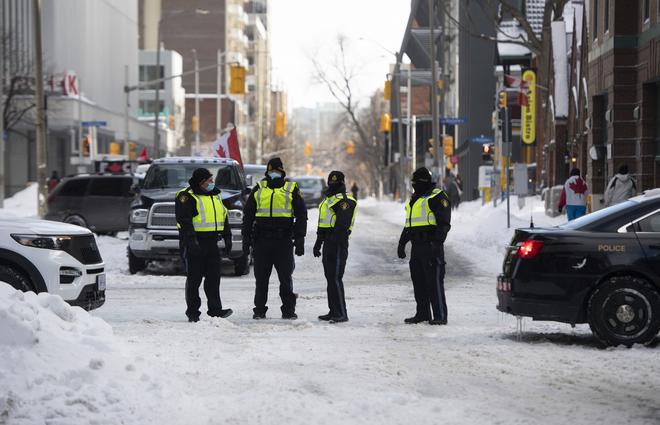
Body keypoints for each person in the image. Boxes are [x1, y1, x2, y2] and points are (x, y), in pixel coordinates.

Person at [242, 157, 307, 320]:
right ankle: (259, 310)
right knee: (261, 279)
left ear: (282, 171)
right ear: (267, 172)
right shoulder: (259, 188)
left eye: (277, 171)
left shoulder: (291, 188)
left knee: (285, 278)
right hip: (262, 241)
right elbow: (248, 216)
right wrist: (246, 240)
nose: (274, 174)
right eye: (271, 171)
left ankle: (288, 310)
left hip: (283, 241)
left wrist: (300, 239)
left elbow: (301, 215)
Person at [175, 168, 233, 322]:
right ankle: (193, 312)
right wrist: (191, 240)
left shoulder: (216, 195)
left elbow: (223, 215)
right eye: (209, 181)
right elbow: (184, 220)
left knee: (214, 278)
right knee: (194, 280)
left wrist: (227, 237)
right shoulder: (187, 196)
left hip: (212, 242)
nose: (212, 183)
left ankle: (215, 310)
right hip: (195, 242)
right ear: (201, 182)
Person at [397, 167, 451, 325]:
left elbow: (444, 223)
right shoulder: (415, 199)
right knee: (418, 281)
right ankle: (422, 313)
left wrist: (437, 242)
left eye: (415, 182)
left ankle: (440, 315)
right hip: (416, 246)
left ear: (422, 182)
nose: (413, 185)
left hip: (431, 246)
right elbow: (409, 224)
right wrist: (402, 243)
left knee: (434, 281)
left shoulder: (437, 196)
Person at [313, 171, 357, 323]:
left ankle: (341, 313)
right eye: (330, 182)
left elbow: (342, 225)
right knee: (330, 278)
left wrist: (332, 239)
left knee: (336, 278)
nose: (332, 185)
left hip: (338, 244)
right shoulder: (328, 201)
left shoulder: (346, 201)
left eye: (336, 182)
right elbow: (323, 224)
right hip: (328, 243)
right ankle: (333, 311)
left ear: (342, 183)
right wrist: (318, 243)